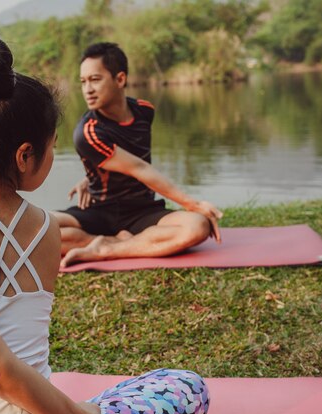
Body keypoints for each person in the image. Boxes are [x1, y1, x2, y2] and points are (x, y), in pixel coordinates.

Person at [0, 37, 210, 414]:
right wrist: (83, 413)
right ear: (24, 155)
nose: (53, 156)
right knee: (185, 384)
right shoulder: (46, 230)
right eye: (52, 147)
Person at [54, 42, 223, 268]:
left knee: (197, 227)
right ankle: (118, 241)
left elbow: (135, 162)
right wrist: (193, 202)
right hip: (99, 212)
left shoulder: (144, 110)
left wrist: (193, 209)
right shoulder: (88, 132)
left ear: (120, 79)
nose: (87, 89)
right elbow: (138, 167)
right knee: (34, 228)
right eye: (83, 82)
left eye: (95, 79)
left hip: (141, 211)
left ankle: (107, 248)